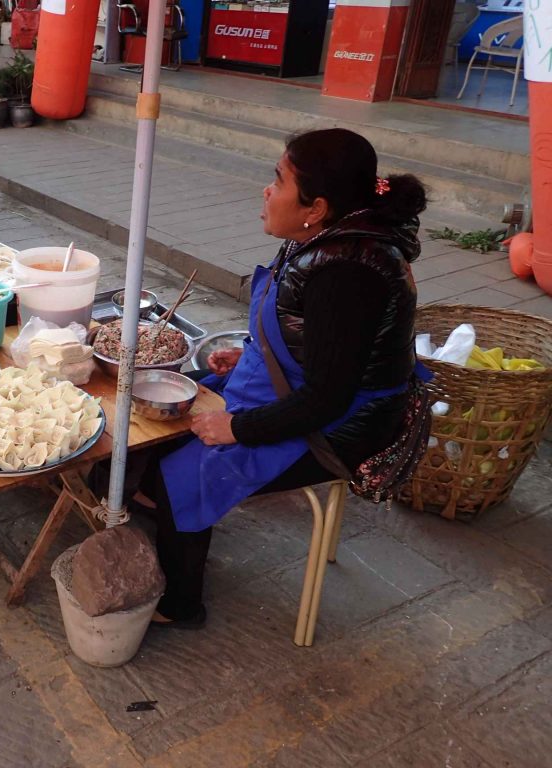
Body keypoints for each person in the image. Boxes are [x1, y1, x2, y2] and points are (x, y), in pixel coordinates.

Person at [98, 128, 428, 629]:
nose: (267, 191)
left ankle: (180, 603)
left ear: (315, 207)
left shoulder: (349, 272)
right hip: (299, 388)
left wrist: (237, 428)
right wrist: (253, 353)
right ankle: (163, 513)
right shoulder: (326, 237)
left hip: (342, 424)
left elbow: (329, 397)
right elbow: (311, 338)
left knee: (186, 471)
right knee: (153, 411)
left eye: (278, 180)